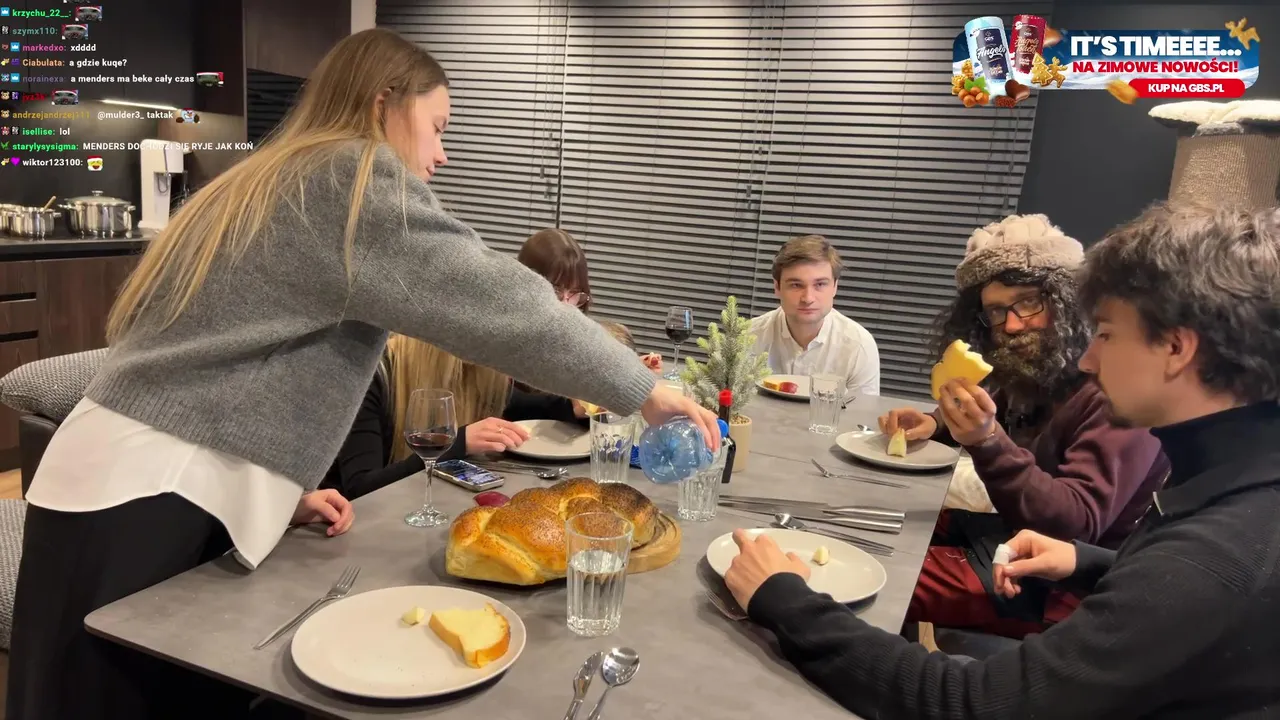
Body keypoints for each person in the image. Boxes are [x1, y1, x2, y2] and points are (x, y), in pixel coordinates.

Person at [8, 29, 716, 720]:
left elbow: (217, 351)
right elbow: (501, 302)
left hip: (111, 476)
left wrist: (272, 487)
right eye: (437, 127)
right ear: (384, 104)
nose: (441, 154)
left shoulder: (269, 177)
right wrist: (642, 389)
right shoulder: (350, 178)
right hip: (151, 490)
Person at [724, 201, 1280, 718]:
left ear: (1177, 348)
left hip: (1031, 597)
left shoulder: (1215, 556)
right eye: (997, 312)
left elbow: (973, 702)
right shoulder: (1232, 483)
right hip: (1033, 550)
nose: (1090, 358)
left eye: (1107, 333)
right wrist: (1089, 561)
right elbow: (1151, 575)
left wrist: (783, 600)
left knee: (884, 577)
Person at [879, 214, 1168, 637]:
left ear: (1067, 300)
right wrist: (935, 423)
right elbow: (997, 409)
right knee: (885, 524)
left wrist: (988, 443)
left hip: (1061, 586)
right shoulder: (1043, 371)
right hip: (1012, 534)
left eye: (1030, 302)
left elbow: (1075, 524)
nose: (1013, 325)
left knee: (883, 570)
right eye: (997, 311)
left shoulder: (1117, 394)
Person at [750, 234, 880, 395]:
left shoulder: (859, 346)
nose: (808, 298)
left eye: (820, 284)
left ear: (835, 287)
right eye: (796, 285)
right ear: (777, 287)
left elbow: (863, 410)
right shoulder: (748, 337)